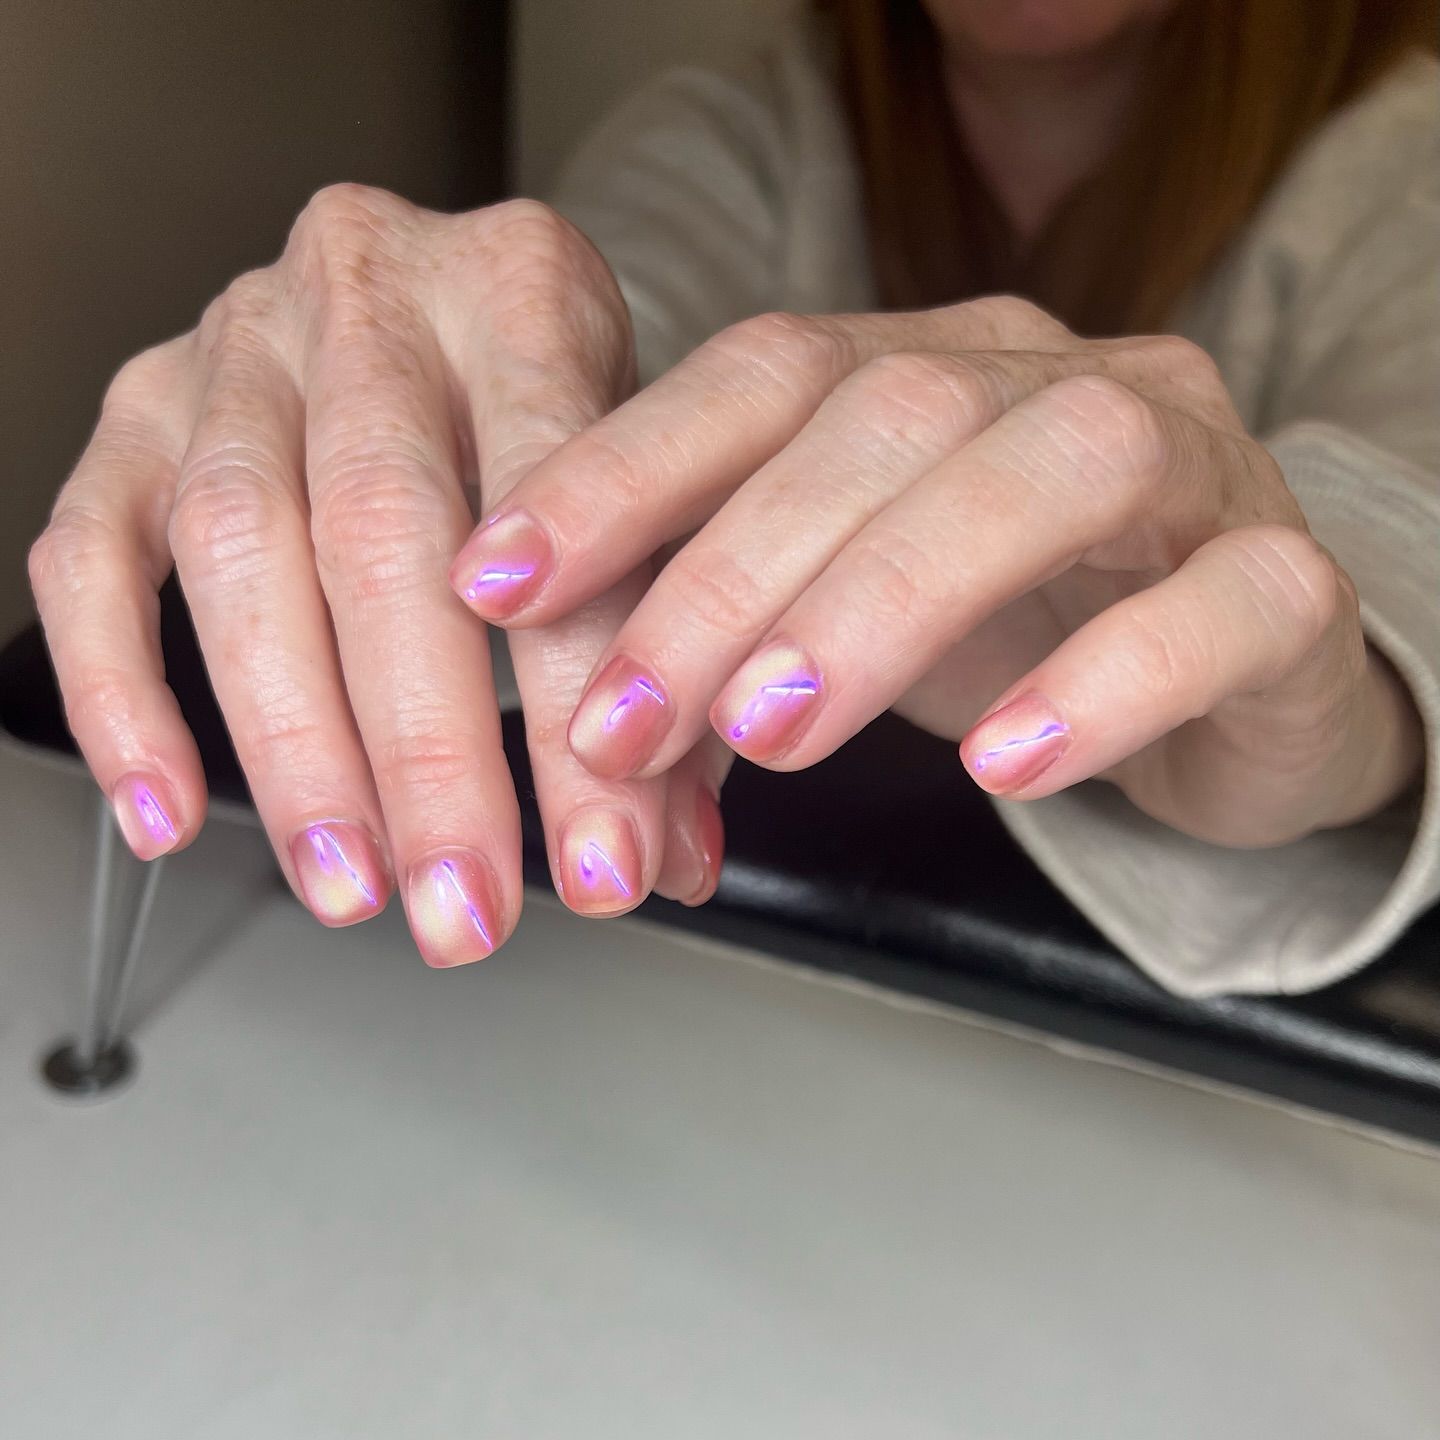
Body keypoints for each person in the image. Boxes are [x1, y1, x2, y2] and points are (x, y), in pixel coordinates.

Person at [28, 0, 1439, 993]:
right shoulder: (738, 121)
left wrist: (1347, 711)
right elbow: (608, 344)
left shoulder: (1402, 152)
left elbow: (1404, 508)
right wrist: (437, 398)